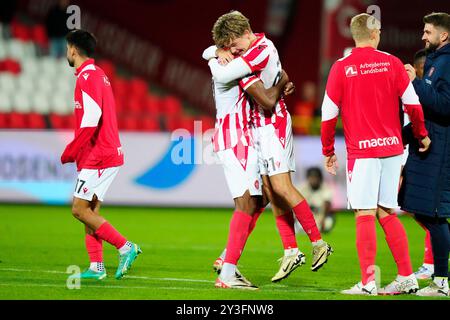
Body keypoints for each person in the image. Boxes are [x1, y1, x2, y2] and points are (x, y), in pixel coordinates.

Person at [205, 11, 333, 282]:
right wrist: (216, 51)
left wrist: (216, 55)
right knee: (268, 194)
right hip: (254, 130)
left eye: (232, 45)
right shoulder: (248, 53)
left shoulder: (257, 53)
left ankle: (318, 243)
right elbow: (225, 65)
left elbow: (264, 100)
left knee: (279, 188)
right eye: (228, 47)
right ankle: (289, 250)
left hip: (272, 125)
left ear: (243, 34)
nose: (232, 50)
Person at [321, 13, 430, 296]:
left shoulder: (341, 67)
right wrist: (421, 134)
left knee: (365, 213)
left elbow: (328, 114)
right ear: (374, 34)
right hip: (393, 149)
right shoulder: (392, 63)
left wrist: (328, 151)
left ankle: (368, 282)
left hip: (363, 152)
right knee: (386, 212)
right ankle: (406, 276)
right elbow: (413, 104)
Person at [61, 30, 141, 280]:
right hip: (106, 153)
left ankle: (126, 247)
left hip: (99, 155)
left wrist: (71, 150)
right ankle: (96, 267)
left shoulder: (87, 77)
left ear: (73, 49)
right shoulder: (99, 74)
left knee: (78, 209)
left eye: (67, 48)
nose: (67, 52)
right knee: (90, 210)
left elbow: (92, 119)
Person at [401, 12, 450, 297]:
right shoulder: (436, 61)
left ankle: (441, 282)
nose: (422, 36)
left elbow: (445, 106)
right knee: (425, 213)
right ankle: (439, 278)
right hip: (428, 145)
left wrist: (414, 82)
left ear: (443, 36)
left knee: (435, 216)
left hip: (440, 149)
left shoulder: (446, 63)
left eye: (428, 32)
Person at [296, 167, 334, 234]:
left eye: (316, 177)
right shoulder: (302, 188)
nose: (314, 180)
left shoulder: (325, 188)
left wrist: (323, 219)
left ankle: (309, 230)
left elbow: (327, 204)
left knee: (328, 223)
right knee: (298, 225)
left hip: (320, 217)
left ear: (320, 178)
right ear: (308, 178)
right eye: (311, 177)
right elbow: (296, 206)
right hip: (306, 219)